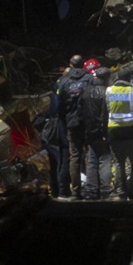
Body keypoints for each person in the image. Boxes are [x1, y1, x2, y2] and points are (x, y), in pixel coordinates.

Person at [106, 62, 133, 199]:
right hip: (131, 131)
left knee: (119, 162)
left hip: (114, 131)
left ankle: (120, 189)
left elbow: (105, 111)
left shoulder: (108, 91)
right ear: (128, 77)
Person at [54, 55, 91, 198]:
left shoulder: (63, 81)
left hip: (71, 122)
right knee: (90, 154)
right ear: (83, 64)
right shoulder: (89, 79)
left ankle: (76, 190)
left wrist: (64, 120)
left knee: (74, 156)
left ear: (70, 64)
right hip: (87, 122)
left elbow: (59, 105)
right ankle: (92, 188)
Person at [81, 66, 113, 199]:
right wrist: (105, 132)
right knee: (105, 160)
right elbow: (104, 114)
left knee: (92, 160)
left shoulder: (85, 90)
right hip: (101, 132)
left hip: (89, 131)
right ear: (106, 78)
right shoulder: (105, 92)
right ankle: (106, 189)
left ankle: (91, 189)